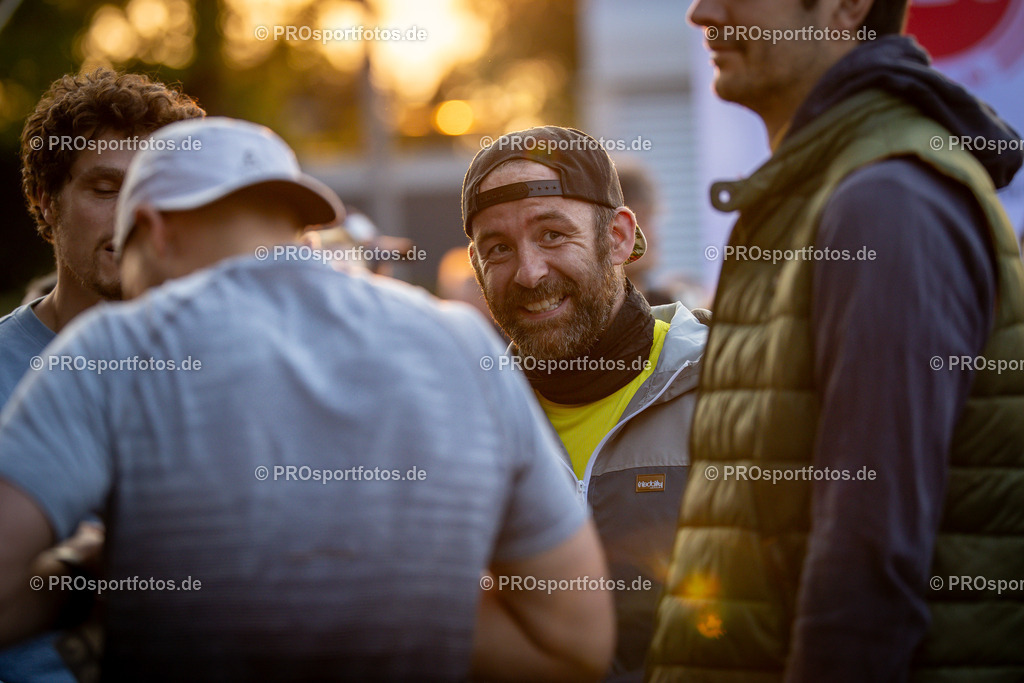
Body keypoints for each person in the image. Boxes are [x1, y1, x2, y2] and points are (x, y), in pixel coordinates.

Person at [0, 117, 614, 681]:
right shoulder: (458, 341)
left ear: (155, 233)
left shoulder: (115, 347)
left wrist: (100, 577)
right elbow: (574, 643)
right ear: (296, 222)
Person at [648, 0, 1024, 679]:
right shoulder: (825, 188)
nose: (702, 13)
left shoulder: (882, 199)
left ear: (848, 6)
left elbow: (867, 559)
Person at [461, 125, 708, 681]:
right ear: (477, 271)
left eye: (552, 235)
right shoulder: (460, 425)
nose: (530, 273)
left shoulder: (728, 386)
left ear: (619, 238)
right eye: (498, 249)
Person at [0, 67, 203, 683]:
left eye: (155, 190)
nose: (131, 217)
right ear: (45, 201)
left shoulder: (229, 368)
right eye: (105, 187)